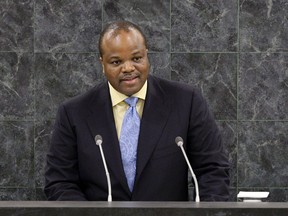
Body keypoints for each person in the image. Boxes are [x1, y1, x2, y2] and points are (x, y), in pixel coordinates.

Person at [44, 20, 230, 201]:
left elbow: (212, 170)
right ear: (102, 63)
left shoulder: (186, 101)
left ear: (146, 55)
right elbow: (60, 182)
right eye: (116, 62)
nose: (128, 68)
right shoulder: (74, 112)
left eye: (136, 58)